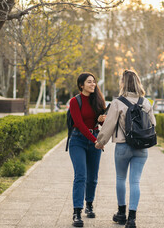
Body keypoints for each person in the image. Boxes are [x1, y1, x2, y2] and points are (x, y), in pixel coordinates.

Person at [95, 70, 156, 228]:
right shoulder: (146, 102)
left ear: (123, 83)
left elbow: (109, 124)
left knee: (121, 179)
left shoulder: (118, 102)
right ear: (138, 82)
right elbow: (153, 124)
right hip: (142, 148)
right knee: (135, 181)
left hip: (123, 146)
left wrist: (100, 142)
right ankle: (132, 219)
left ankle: (121, 214)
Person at [68, 72, 107, 227]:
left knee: (93, 177)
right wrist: (95, 140)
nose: (93, 84)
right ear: (81, 85)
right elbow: (79, 124)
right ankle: (77, 212)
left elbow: (102, 124)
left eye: (94, 82)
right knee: (80, 176)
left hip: (95, 140)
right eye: (89, 82)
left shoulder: (98, 100)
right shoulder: (74, 101)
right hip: (78, 140)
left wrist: (101, 120)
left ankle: (89, 205)